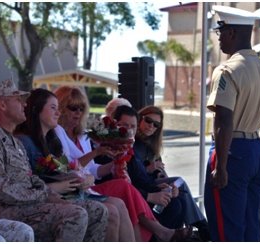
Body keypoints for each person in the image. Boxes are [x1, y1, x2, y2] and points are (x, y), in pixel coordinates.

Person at [54, 85, 197, 242]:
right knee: (126, 191)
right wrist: (97, 153)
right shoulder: (58, 133)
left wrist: (115, 162)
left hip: (93, 186)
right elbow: (66, 168)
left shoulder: (82, 135)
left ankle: (175, 230)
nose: (78, 113)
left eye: (82, 108)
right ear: (60, 108)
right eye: (73, 108)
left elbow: (94, 169)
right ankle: (163, 232)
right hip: (77, 190)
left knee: (170, 197)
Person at [0, 77, 94, 242]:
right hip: (3, 210)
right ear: (2, 105)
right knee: (75, 214)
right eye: (18, 100)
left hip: (26, 205)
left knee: (96, 210)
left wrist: (51, 195)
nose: (24, 105)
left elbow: (29, 177)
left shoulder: (12, 140)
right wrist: (41, 195)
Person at [204, 5, 260, 242]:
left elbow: (223, 121)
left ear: (230, 33)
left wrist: (221, 166)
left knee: (227, 227)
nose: (218, 38)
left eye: (219, 32)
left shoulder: (228, 69)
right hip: (256, 152)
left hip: (232, 151)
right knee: (250, 228)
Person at [14, 88, 115, 242]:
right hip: (42, 200)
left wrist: (84, 177)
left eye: (82, 108)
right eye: (53, 108)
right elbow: (23, 184)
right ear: (36, 110)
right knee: (99, 211)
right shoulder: (24, 142)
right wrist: (59, 187)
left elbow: (69, 169)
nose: (58, 113)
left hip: (65, 193)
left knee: (108, 208)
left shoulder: (51, 140)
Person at [134, 105, 210, 241]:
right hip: (141, 187)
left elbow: (156, 169)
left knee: (180, 198)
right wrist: (148, 169)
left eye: (156, 124)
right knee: (179, 188)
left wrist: (158, 174)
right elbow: (133, 174)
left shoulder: (151, 143)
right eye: (148, 120)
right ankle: (201, 226)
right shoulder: (132, 141)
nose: (151, 126)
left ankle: (188, 231)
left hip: (151, 182)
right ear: (140, 119)